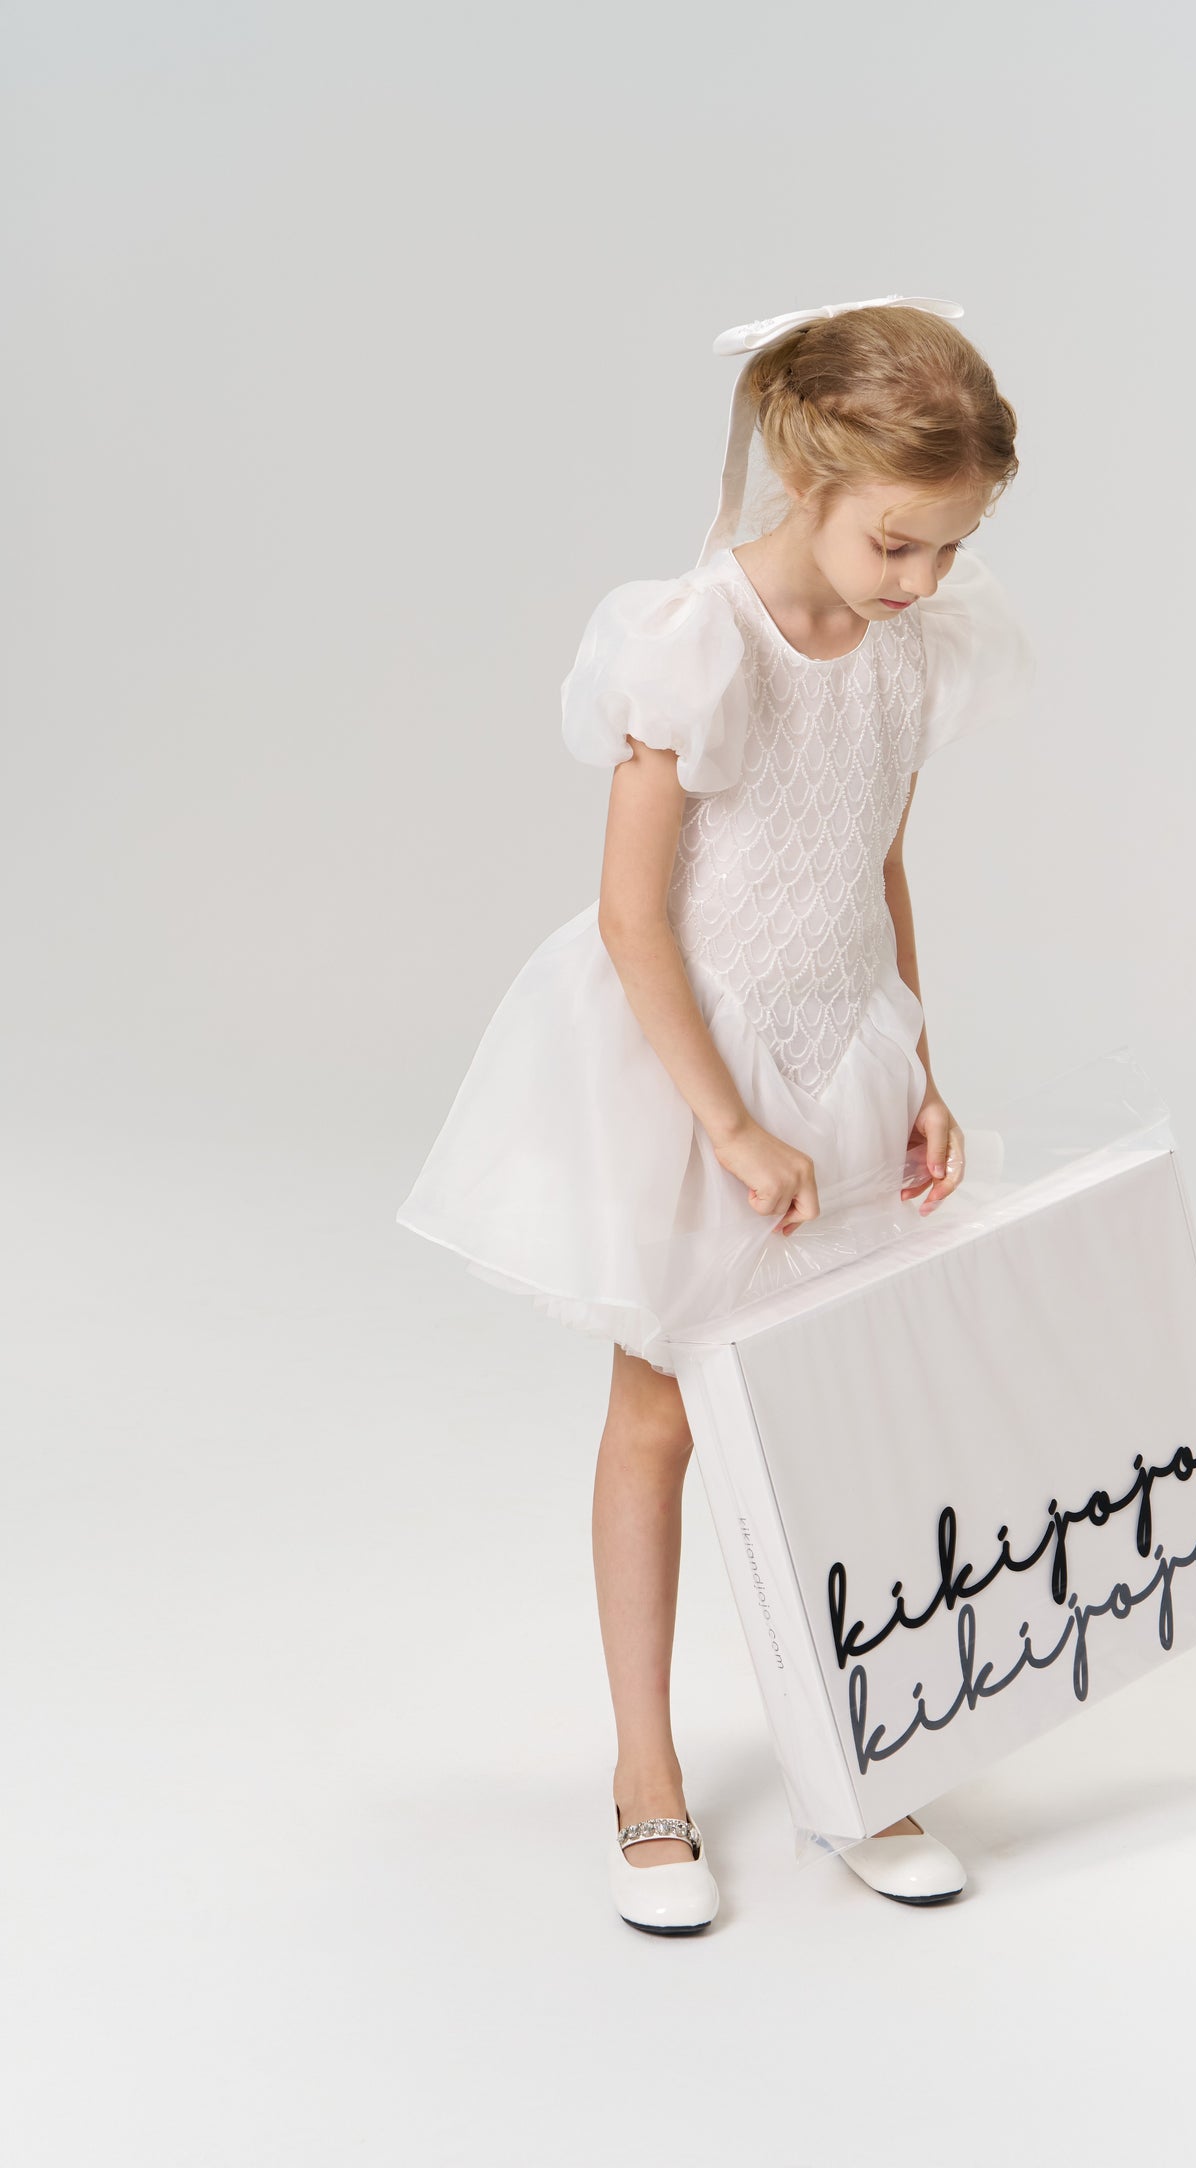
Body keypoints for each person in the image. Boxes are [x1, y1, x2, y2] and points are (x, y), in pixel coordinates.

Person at [396, 295, 1036, 1934]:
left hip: (843, 1053)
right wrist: (730, 1127)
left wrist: (921, 1065)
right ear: (810, 475)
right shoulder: (697, 639)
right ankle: (645, 1770)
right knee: (665, 1415)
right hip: (693, 1069)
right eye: (897, 542)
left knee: (839, 1413)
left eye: (950, 549)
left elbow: (877, 861)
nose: (922, 581)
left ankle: (858, 1753)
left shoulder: (905, 645)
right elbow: (631, 915)